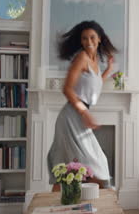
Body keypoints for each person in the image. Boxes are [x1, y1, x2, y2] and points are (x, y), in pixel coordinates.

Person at [47, 20, 117, 192]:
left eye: (92, 37)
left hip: (79, 116)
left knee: (70, 168)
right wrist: (84, 112)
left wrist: (108, 69)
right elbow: (67, 89)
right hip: (72, 116)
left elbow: (95, 84)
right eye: (84, 38)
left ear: (99, 39)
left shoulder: (94, 62)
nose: (88, 41)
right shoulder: (82, 58)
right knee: (91, 166)